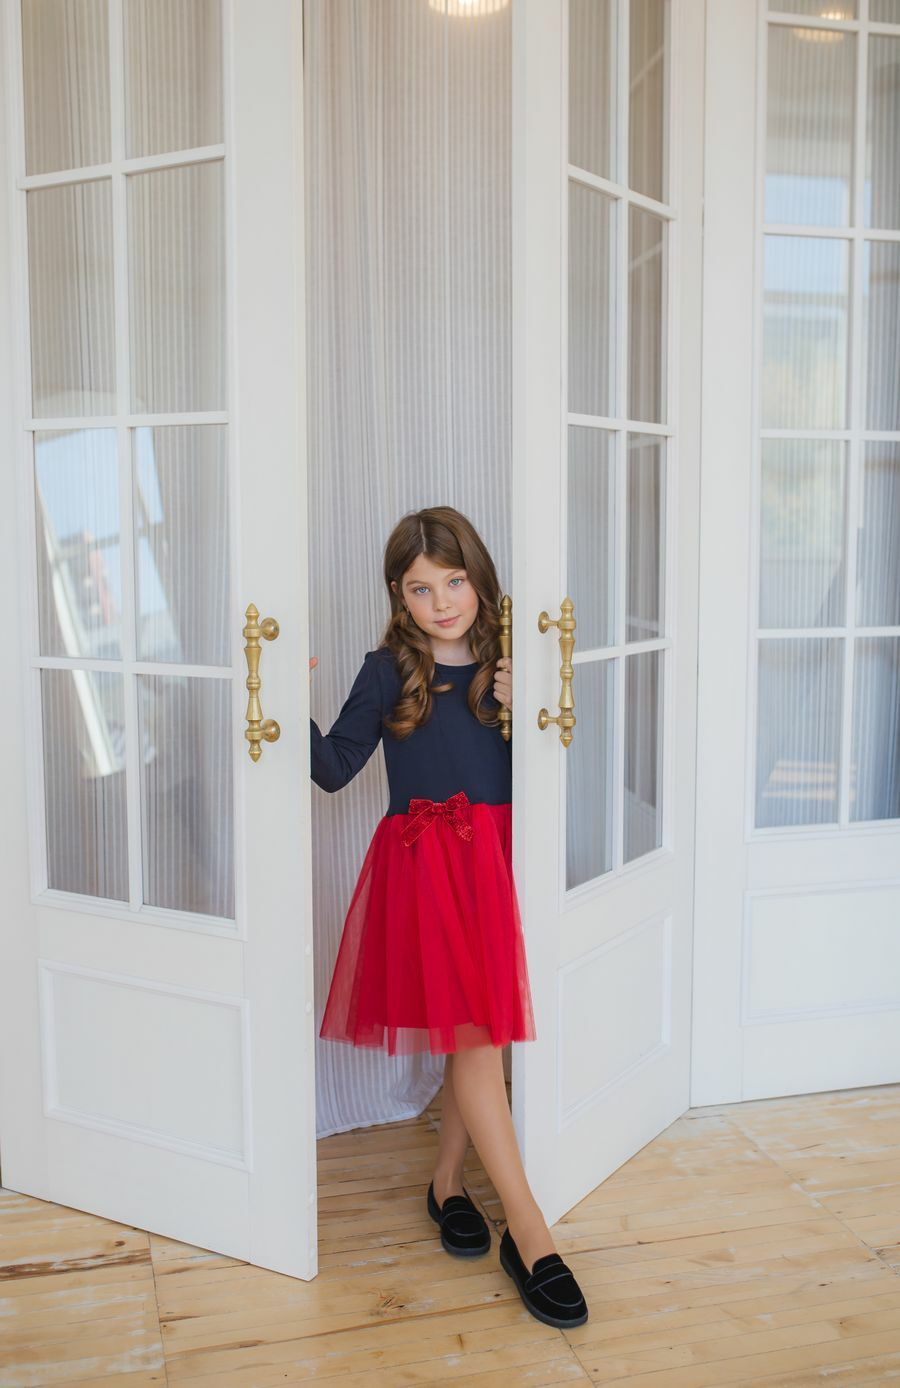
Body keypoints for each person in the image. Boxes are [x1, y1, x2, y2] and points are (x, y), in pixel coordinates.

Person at [309, 506, 588, 1329]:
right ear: (398, 596)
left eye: (454, 582)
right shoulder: (386, 672)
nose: (441, 603)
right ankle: (529, 1235)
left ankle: (444, 1184)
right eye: (420, 589)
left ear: (479, 578)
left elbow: (543, 769)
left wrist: (523, 706)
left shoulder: (509, 664)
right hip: (429, 873)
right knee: (474, 1039)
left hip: (498, 864)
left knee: (484, 1033)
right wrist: (283, 699)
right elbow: (335, 768)